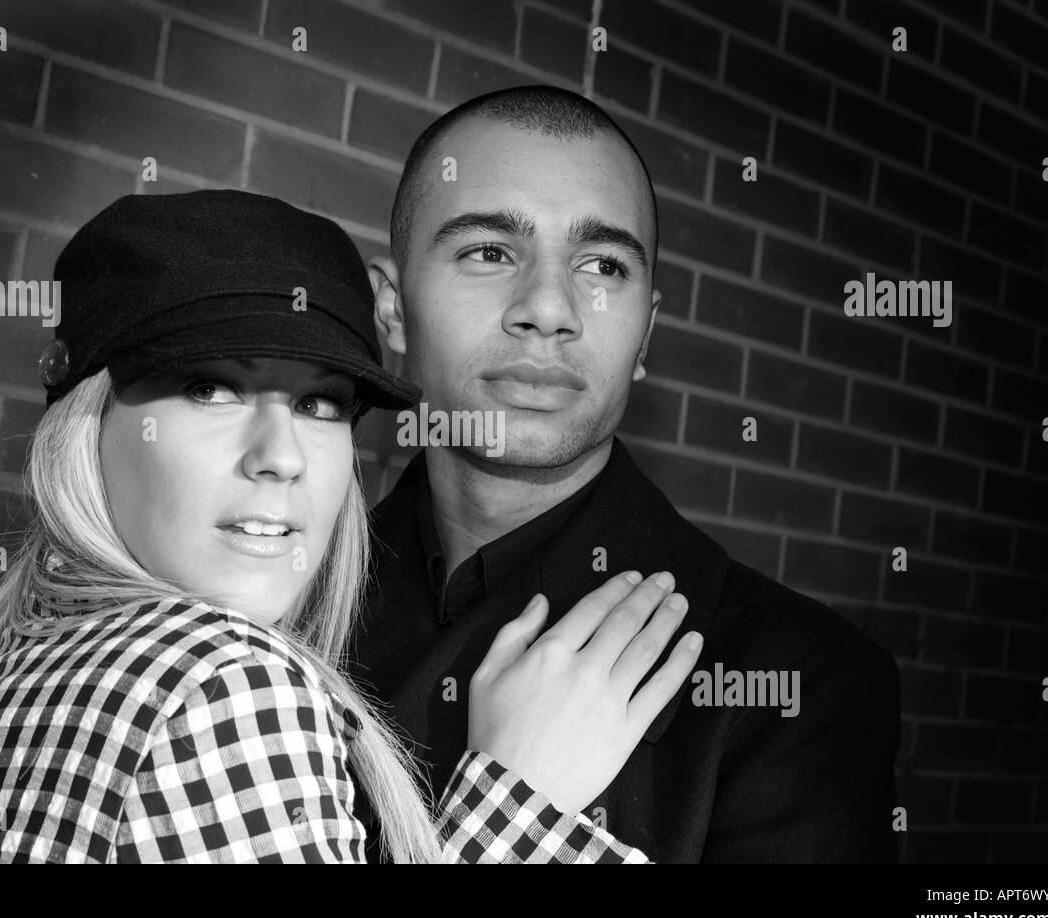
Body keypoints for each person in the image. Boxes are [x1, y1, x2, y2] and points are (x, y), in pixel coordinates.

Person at [0, 189, 705, 864]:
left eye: (319, 403)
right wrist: (522, 804)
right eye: (211, 388)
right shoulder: (222, 684)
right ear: (90, 424)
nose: (282, 456)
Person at [353, 86, 902, 862]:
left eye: (603, 264)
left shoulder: (793, 685)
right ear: (394, 310)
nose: (548, 307)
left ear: (644, 332)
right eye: (489, 251)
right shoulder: (285, 596)